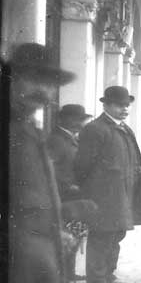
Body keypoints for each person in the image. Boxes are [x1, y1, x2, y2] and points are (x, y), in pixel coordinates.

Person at [5, 43, 76, 283]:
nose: (45, 92)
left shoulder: (28, 128)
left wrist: (54, 232)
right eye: (35, 80)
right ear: (11, 79)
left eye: (50, 84)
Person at [75, 85, 141, 283]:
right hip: (103, 197)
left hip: (122, 194)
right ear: (106, 105)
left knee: (116, 236)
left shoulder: (123, 128)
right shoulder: (95, 129)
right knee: (101, 238)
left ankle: (107, 274)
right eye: (119, 105)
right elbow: (82, 166)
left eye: (127, 105)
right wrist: (92, 193)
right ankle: (97, 278)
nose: (125, 109)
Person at [48, 102, 94, 280]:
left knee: (74, 237)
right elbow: (50, 169)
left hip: (73, 198)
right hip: (63, 197)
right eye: (75, 119)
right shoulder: (57, 140)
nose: (79, 123)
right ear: (63, 119)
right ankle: (62, 275)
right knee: (64, 238)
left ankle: (69, 273)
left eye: (81, 119)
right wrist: (68, 185)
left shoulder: (71, 138)